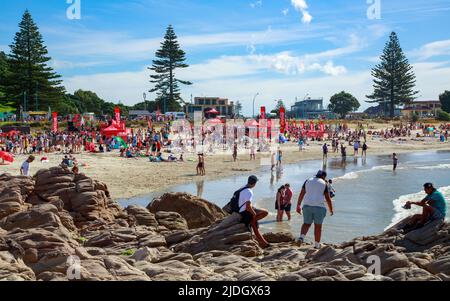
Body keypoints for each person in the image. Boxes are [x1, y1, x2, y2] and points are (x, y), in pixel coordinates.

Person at [296, 170, 334, 249]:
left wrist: (298, 205)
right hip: (319, 207)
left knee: (306, 224)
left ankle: (301, 238)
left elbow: (302, 193)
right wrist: (331, 209)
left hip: (307, 206)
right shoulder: (324, 183)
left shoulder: (307, 180)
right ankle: (317, 245)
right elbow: (328, 198)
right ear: (323, 176)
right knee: (318, 226)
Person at [238, 176, 270, 248]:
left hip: (240, 210)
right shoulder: (249, 192)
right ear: (254, 183)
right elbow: (248, 206)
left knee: (255, 226)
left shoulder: (243, 188)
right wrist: (254, 213)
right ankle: (252, 221)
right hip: (245, 212)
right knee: (265, 212)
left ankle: (265, 243)